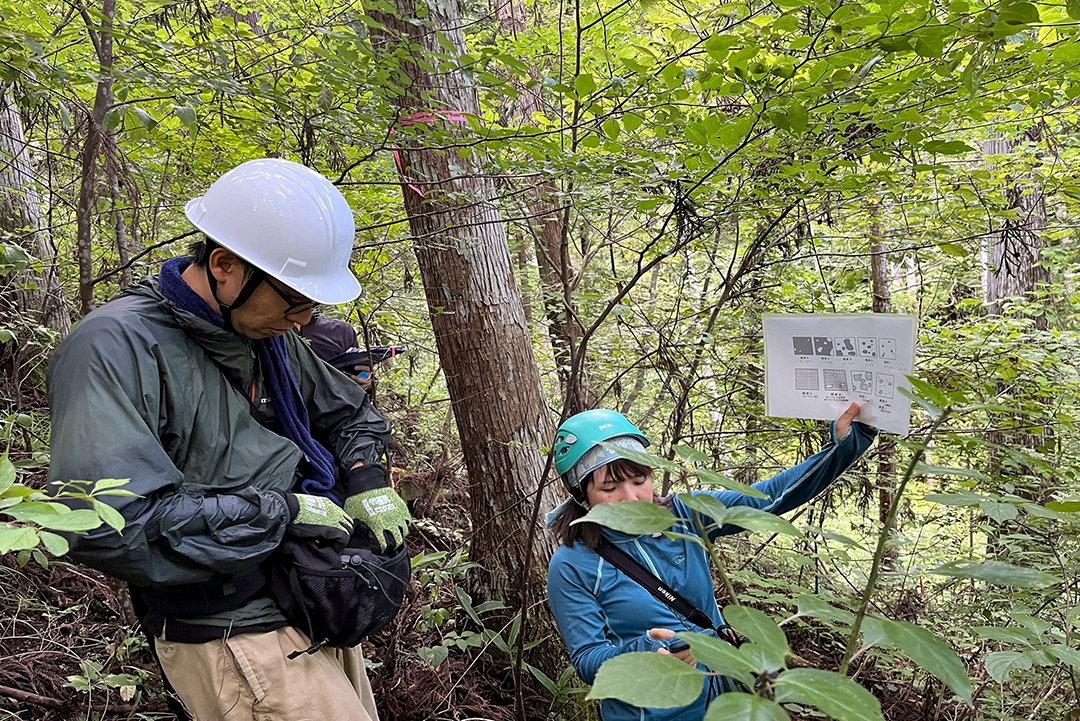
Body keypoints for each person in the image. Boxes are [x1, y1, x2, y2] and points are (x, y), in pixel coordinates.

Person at [48, 158, 411, 721]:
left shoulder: (262, 333)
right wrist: (280, 512)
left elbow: (348, 410)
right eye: (293, 300)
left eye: (312, 305)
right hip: (229, 629)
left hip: (305, 597)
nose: (303, 319)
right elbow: (102, 522)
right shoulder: (115, 347)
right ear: (223, 265)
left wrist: (364, 475)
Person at [546, 404, 876, 721]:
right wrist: (647, 648)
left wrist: (845, 447)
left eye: (639, 480)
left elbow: (768, 500)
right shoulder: (573, 564)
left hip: (730, 698)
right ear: (581, 494)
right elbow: (588, 658)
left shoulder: (687, 515)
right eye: (610, 487)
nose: (631, 498)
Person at [297, 314, 406, 396]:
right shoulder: (280, 329)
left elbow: (359, 370)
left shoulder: (340, 330)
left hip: (334, 407)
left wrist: (366, 380)